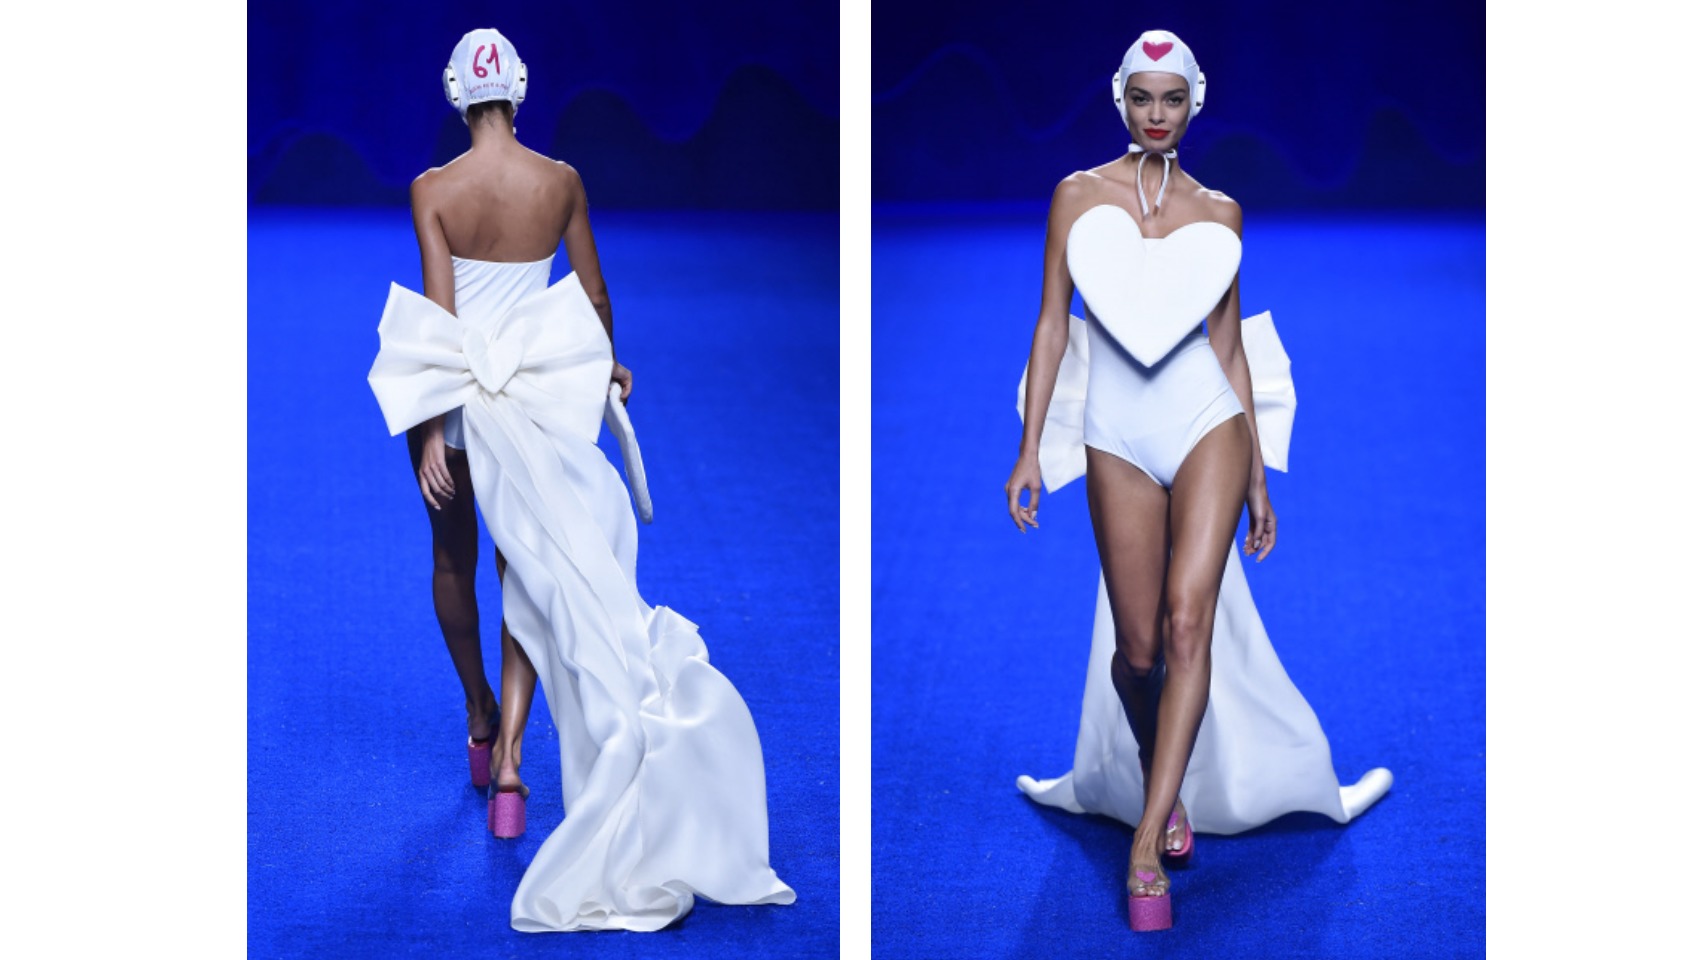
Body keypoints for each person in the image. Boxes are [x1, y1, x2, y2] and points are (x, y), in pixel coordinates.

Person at [369, 27, 794, 932]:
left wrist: (436, 428)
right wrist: (607, 364)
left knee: (451, 559)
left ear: (455, 94)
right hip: (539, 394)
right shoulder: (559, 180)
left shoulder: (432, 190)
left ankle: (480, 718)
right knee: (530, 571)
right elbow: (594, 296)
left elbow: (442, 323)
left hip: (460, 400)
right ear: (520, 90)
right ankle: (514, 768)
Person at [1004, 29, 1390, 932]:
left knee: (1188, 621)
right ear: (1122, 99)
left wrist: (1256, 475)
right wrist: (1028, 450)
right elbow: (1053, 324)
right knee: (1138, 651)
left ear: (1194, 102)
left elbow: (1228, 346)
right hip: (1114, 434)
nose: (1157, 114)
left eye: (1171, 98)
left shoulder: (1221, 214)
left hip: (1207, 422)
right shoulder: (1076, 196)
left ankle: (1147, 847)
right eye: (1142, 98)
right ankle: (1159, 773)